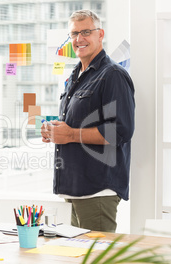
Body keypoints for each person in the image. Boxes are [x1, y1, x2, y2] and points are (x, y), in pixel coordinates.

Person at [41, 10, 135, 232]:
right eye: (74, 33)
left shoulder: (112, 75)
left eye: (85, 32)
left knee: (96, 262)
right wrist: (53, 131)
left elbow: (121, 131)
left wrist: (72, 134)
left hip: (97, 189)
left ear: (100, 34)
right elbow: (74, 123)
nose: (78, 39)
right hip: (72, 187)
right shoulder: (75, 75)